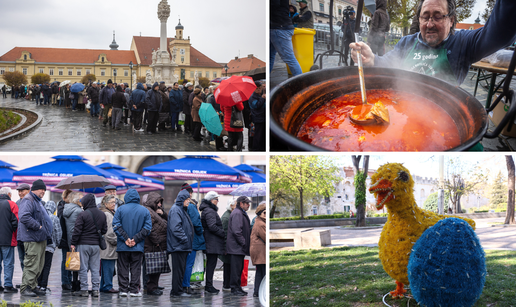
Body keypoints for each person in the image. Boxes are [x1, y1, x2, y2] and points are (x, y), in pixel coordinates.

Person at [350, 0, 516, 86]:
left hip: (443, 120)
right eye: (425, 16)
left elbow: (500, 33)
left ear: (451, 20)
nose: (429, 24)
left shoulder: (464, 42)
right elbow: (387, 63)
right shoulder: (407, 42)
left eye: (438, 16)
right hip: (403, 109)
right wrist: (371, 59)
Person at [112, 189, 152, 297]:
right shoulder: (144, 211)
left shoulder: (120, 210)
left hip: (123, 245)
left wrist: (126, 239)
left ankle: (123, 289)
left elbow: (115, 225)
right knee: (136, 268)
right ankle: (134, 290)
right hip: (137, 246)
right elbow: (148, 228)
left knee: (123, 268)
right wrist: (136, 239)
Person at [18, 180, 53, 297]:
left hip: (39, 238)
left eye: (44, 189)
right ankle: (26, 288)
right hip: (32, 238)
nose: (43, 191)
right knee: (32, 264)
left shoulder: (37, 201)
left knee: (38, 265)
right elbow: (24, 217)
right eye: (41, 189)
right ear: (34, 189)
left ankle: (33, 286)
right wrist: (38, 226)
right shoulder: (28, 200)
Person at [70, 194, 107, 297]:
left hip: (83, 245)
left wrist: (73, 243)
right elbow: (104, 230)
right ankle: (95, 290)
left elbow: (77, 230)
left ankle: (84, 290)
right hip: (95, 245)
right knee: (95, 269)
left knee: (83, 268)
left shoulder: (83, 214)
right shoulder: (102, 214)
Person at [167, 189, 194, 297]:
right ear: (182, 199)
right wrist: (185, 239)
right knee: (178, 271)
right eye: (187, 199)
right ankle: (176, 291)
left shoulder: (181, 209)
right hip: (178, 246)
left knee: (181, 269)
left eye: (189, 199)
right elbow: (176, 227)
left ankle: (178, 290)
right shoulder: (176, 210)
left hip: (182, 246)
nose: (188, 201)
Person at [199, 191, 226, 294]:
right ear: (211, 200)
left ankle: (209, 285)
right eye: (216, 199)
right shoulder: (210, 211)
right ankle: (209, 286)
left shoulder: (208, 210)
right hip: (212, 242)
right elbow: (212, 226)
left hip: (211, 241)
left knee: (211, 264)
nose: (218, 201)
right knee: (211, 265)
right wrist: (222, 233)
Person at [142, 192, 168, 296]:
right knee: (153, 269)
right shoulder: (149, 212)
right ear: (153, 202)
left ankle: (154, 286)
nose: (160, 204)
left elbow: (166, 223)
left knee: (157, 268)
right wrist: (157, 242)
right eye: (158, 202)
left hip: (158, 245)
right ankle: (151, 288)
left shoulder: (155, 211)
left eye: (161, 202)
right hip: (153, 245)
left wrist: (163, 214)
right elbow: (150, 229)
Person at [226, 196, 251, 296]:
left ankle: (237, 287)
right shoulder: (237, 213)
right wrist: (244, 243)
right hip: (236, 247)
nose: (249, 205)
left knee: (239, 269)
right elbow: (237, 231)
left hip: (238, 247)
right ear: (241, 203)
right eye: (247, 203)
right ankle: (235, 288)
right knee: (236, 269)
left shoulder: (240, 213)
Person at [270, 0, 303, 76]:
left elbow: (275, 4)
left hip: (279, 27)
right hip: (279, 27)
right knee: (270, 56)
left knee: (289, 58)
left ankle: (301, 83)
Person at [182, 192, 205, 294]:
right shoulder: (192, 207)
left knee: (186, 263)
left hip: (187, 239)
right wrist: (201, 231)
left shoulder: (182, 207)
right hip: (193, 240)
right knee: (189, 264)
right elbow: (196, 223)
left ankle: (185, 284)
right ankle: (186, 285)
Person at [37, 201, 62, 294]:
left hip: (40, 245)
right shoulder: (55, 218)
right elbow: (58, 232)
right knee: (47, 266)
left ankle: (38, 284)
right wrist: (57, 243)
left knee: (40, 265)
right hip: (50, 246)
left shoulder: (40, 215)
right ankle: (44, 286)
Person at [63, 192, 84, 294]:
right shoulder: (78, 210)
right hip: (76, 238)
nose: (82, 201)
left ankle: (69, 281)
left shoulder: (67, 208)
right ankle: (75, 283)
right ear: (76, 201)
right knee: (76, 261)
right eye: (81, 199)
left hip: (69, 238)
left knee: (71, 259)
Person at [0, 187, 19, 293]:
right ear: (9, 194)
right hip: (8, 238)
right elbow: (16, 222)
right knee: (8, 263)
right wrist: (16, 237)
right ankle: (8, 285)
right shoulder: (12, 204)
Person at [99, 195, 119, 293]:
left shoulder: (109, 213)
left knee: (106, 267)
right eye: (111, 202)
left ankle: (104, 285)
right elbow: (110, 233)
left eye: (114, 202)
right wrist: (117, 241)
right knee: (108, 267)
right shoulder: (108, 214)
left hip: (106, 246)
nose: (114, 204)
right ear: (105, 204)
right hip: (109, 246)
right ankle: (108, 286)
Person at [57, 189, 73, 291]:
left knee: (70, 260)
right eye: (69, 197)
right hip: (64, 238)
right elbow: (62, 217)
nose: (71, 199)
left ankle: (69, 280)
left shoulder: (70, 206)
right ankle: (65, 281)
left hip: (71, 237)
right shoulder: (61, 206)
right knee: (65, 260)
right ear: (64, 198)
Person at [250, 203, 266, 297]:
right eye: (264, 213)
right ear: (260, 213)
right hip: (260, 252)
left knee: (260, 272)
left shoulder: (258, 221)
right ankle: (261, 292)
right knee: (263, 273)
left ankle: (257, 292)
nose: (266, 215)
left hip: (258, 251)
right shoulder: (260, 224)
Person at [220, 199, 236, 291]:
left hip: (228, 245)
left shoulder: (230, 215)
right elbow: (225, 233)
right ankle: (226, 285)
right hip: (227, 246)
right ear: (231, 205)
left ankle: (227, 284)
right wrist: (225, 248)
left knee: (228, 265)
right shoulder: (227, 217)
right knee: (227, 266)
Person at [15, 183, 30, 271]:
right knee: (22, 259)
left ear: (28, 191)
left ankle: (28, 281)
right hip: (19, 236)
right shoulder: (17, 203)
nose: (20, 193)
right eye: (19, 191)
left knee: (29, 260)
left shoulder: (33, 202)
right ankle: (24, 280)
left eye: (22, 191)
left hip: (28, 236)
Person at [249, 81, 266, 151]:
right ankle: (256, 148)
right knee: (257, 135)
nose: (259, 90)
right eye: (257, 88)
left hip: (262, 118)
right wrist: (262, 99)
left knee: (262, 134)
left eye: (260, 88)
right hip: (257, 118)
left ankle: (261, 147)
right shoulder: (252, 97)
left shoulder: (259, 96)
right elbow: (256, 106)